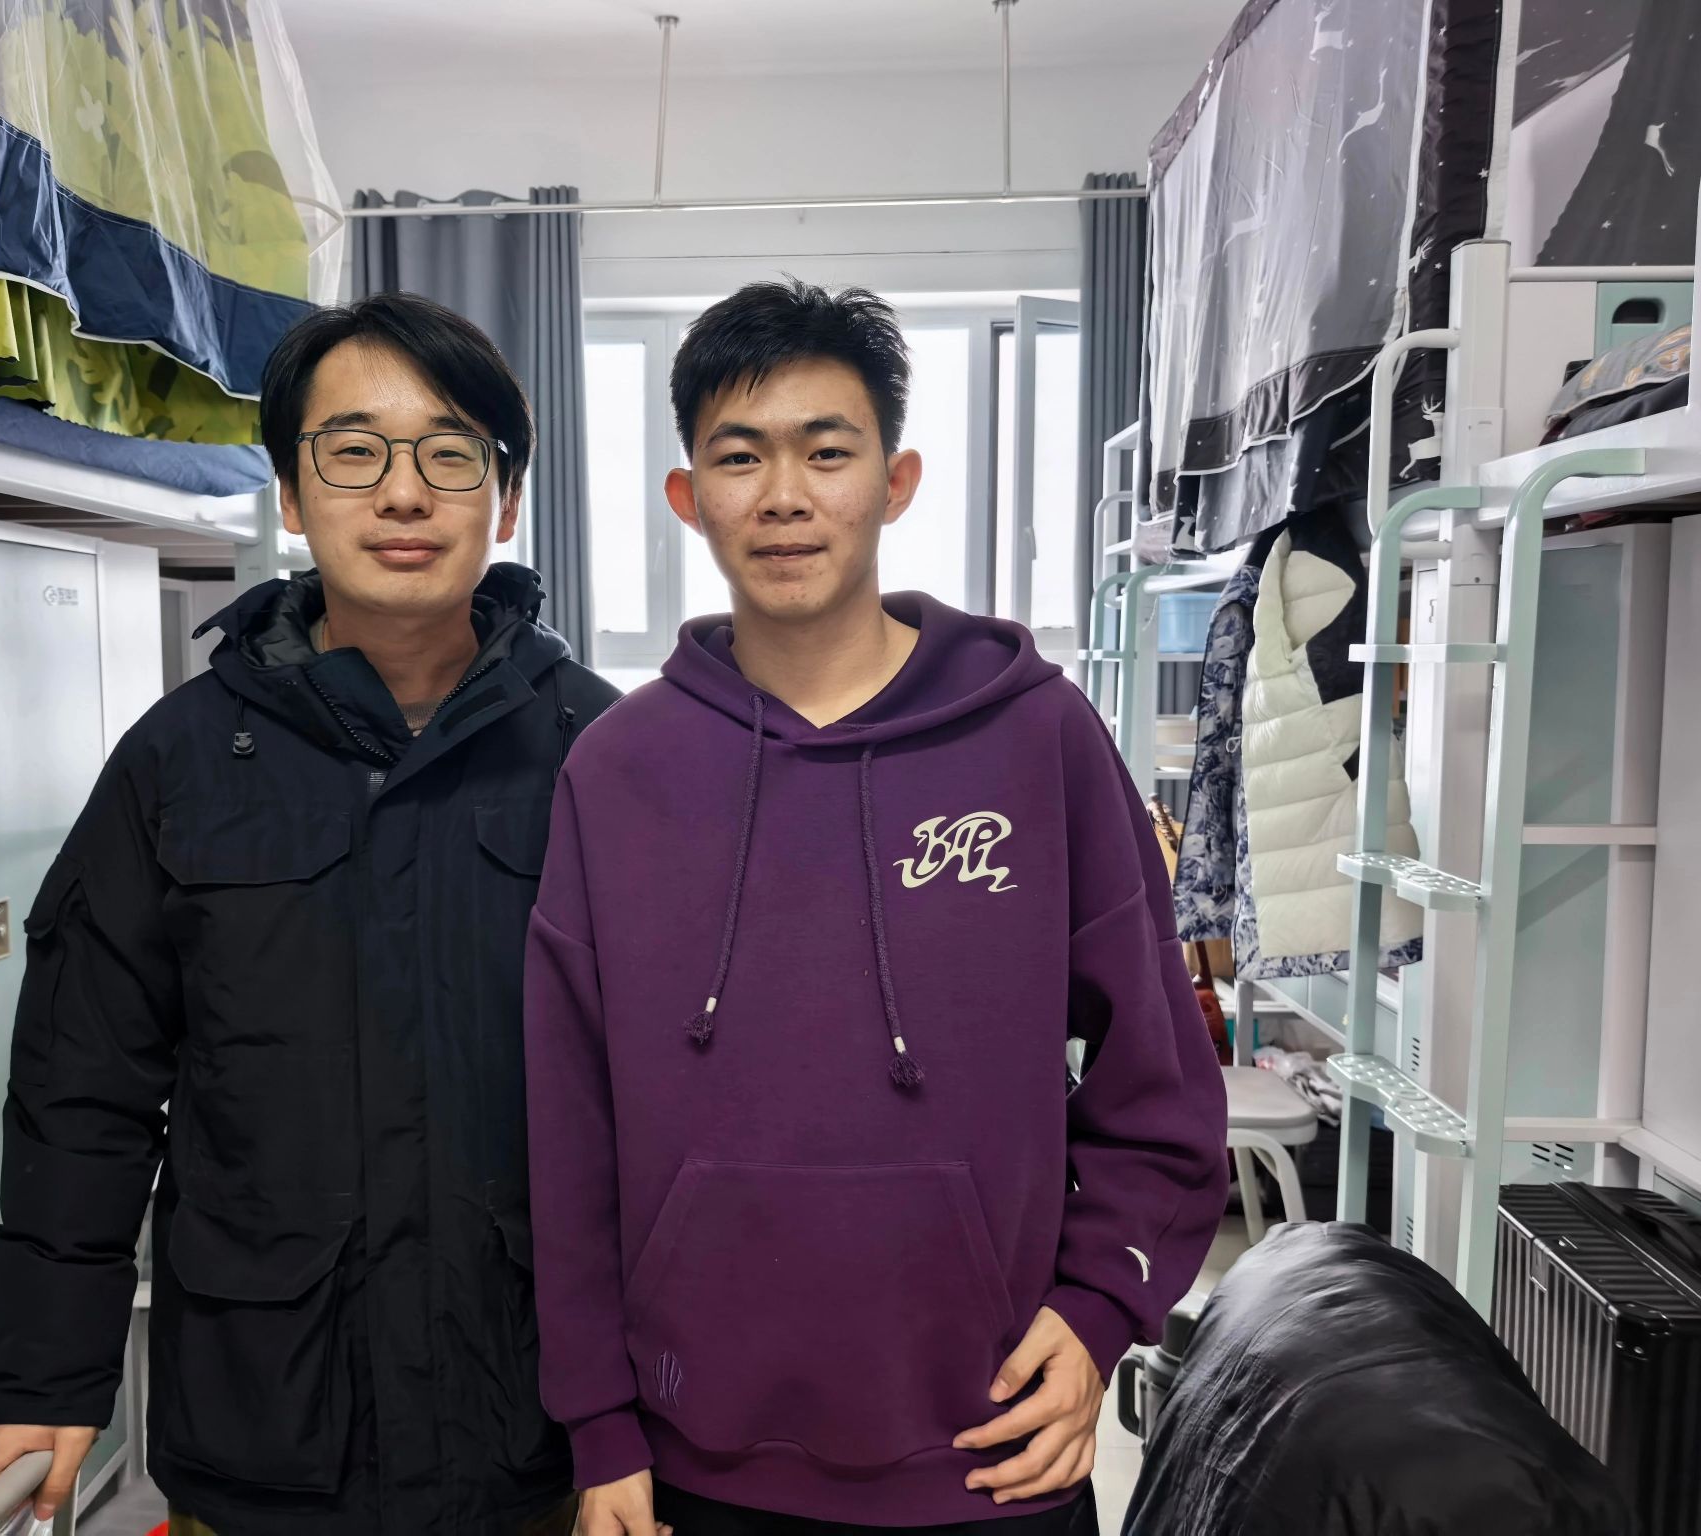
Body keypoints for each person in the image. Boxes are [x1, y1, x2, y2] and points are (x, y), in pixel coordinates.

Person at [524, 279, 1229, 1535]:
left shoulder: (1037, 738)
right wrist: (597, 1424)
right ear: (687, 496)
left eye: (825, 451)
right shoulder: (618, 771)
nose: (783, 496)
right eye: (738, 457)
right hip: (691, 1463)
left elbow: (1158, 1079)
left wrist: (1095, 1312)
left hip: (991, 1450)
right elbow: (567, 1130)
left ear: (895, 481)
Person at [0, 291, 618, 1535]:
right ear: (291, 494)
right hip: (267, 1426)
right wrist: (46, 1374)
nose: (403, 494)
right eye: (353, 451)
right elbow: (82, 1087)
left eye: (450, 454)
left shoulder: (605, 750)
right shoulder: (179, 761)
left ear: (506, 500)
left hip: (538, 1428)